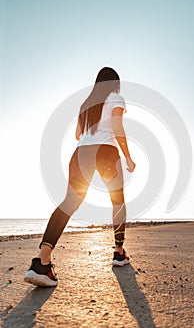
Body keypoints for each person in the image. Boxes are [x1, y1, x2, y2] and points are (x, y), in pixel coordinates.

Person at [24, 67, 136, 287]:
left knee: (69, 202)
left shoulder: (85, 104)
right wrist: (128, 156)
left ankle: (42, 262)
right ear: (114, 82)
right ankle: (118, 253)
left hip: (80, 153)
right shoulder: (116, 97)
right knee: (118, 201)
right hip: (105, 151)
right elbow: (117, 127)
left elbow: (78, 134)